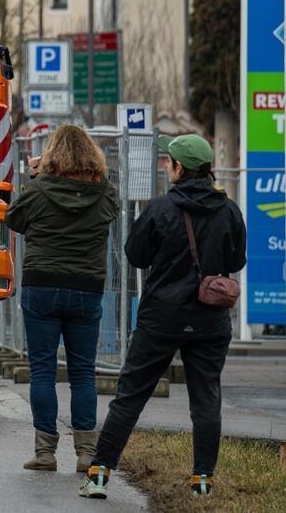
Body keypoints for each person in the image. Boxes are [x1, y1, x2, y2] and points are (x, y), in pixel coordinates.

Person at [82, 134, 247, 500]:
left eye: (168, 161)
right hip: (210, 320)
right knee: (206, 399)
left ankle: (99, 473)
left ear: (179, 168)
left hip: (162, 318)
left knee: (131, 395)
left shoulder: (159, 209)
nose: (165, 166)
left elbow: (136, 255)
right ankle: (202, 481)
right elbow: (236, 262)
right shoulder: (229, 210)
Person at [5, 124, 117, 473]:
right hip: (86, 288)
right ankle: (86, 454)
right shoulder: (105, 195)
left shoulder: (39, 191)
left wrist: (36, 177)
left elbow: (14, 218)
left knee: (42, 370)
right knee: (83, 372)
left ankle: (45, 453)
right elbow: (109, 206)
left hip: (42, 287)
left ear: (53, 155)